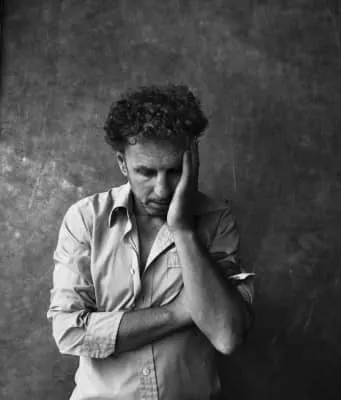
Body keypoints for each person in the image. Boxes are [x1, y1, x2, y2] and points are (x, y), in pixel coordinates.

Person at [47, 84, 255, 400]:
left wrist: (183, 230)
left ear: (192, 161)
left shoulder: (216, 220)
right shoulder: (86, 219)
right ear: (122, 163)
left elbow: (227, 335)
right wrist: (179, 312)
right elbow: (69, 331)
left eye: (174, 171)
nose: (162, 189)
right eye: (146, 172)